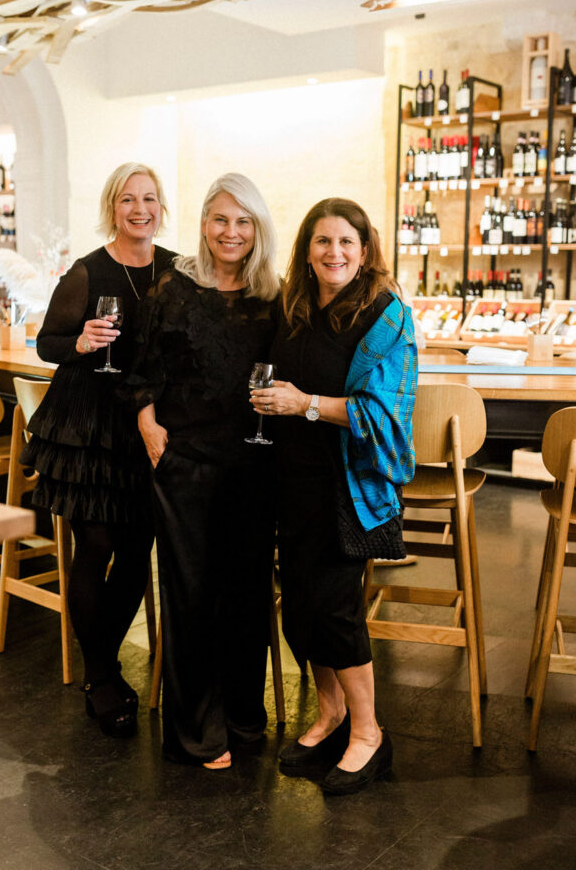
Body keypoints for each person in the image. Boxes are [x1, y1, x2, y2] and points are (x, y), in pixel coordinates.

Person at [251, 197, 418, 795]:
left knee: (335, 609)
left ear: (365, 250)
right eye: (322, 242)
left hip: (347, 487)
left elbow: (385, 414)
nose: (334, 253)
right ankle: (331, 714)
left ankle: (370, 734)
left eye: (346, 242)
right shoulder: (295, 307)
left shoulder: (385, 318)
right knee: (298, 608)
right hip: (291, 480)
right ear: (307, 251)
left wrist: (305, 405)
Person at [125, 172, 280, 770]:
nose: (231, 232)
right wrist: (148, 425)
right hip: (185, 462)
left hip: (252, 462)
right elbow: (139, 368)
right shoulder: (173, 288)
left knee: (245, 594)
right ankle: (195, 733)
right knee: (191, 596)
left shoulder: (274, 296)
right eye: (220, 219)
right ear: (203, 224)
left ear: (258, 228)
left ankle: (243, 716)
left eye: (243, 221)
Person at [22, 162, 176, 737]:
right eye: (128, 200)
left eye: (149, 200)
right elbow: (46, 343)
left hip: (144, 422)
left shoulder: (175, 268)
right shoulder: (88, 271)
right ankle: (100, 674)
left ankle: (105, 663)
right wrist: (83, 340)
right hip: (90, 423)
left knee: (138, 551)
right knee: (97, 546)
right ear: (113, 207)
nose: (140, 210)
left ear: (161, 207)